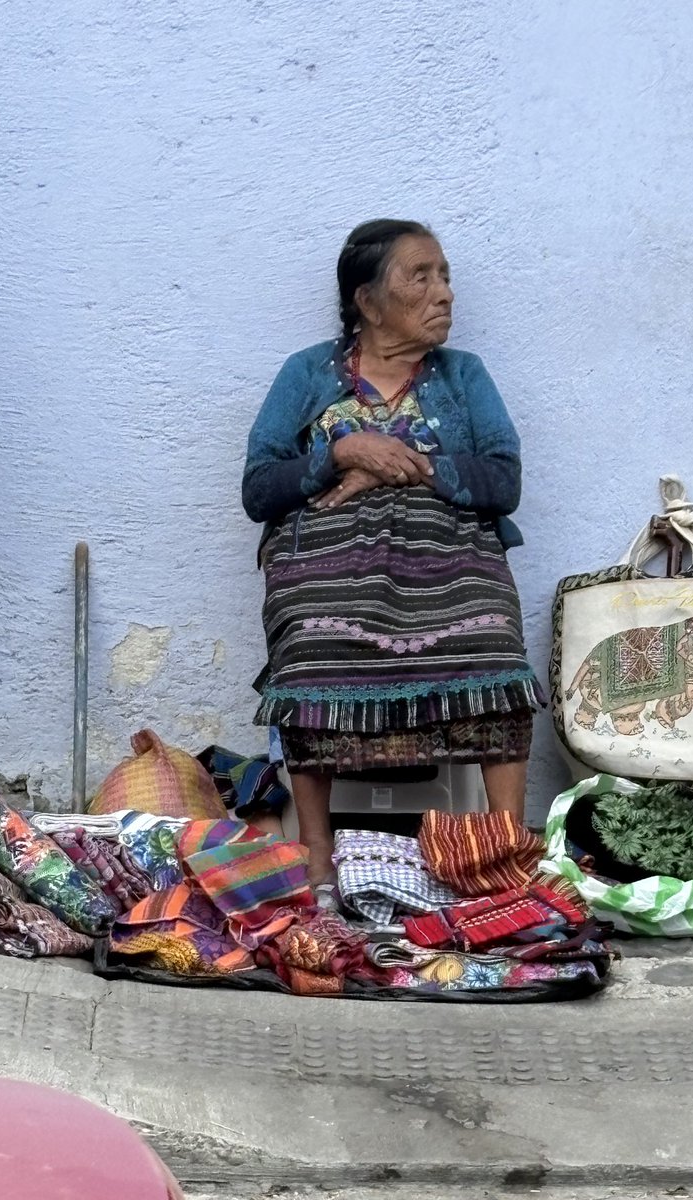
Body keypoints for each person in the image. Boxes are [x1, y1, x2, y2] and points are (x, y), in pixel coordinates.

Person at [242, 219, 543, 892]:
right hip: (327, 560)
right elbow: (259, 489)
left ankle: (503, 850)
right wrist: (342, 452)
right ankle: (317, 856)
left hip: (450, 557)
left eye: (446, 276)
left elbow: (504, 481)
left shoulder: (464, 375)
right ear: (368, 301)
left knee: (493, 643)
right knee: (311, 645)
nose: (444, 293)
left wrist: (403, 464)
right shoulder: (306, 373)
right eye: (421, 276)